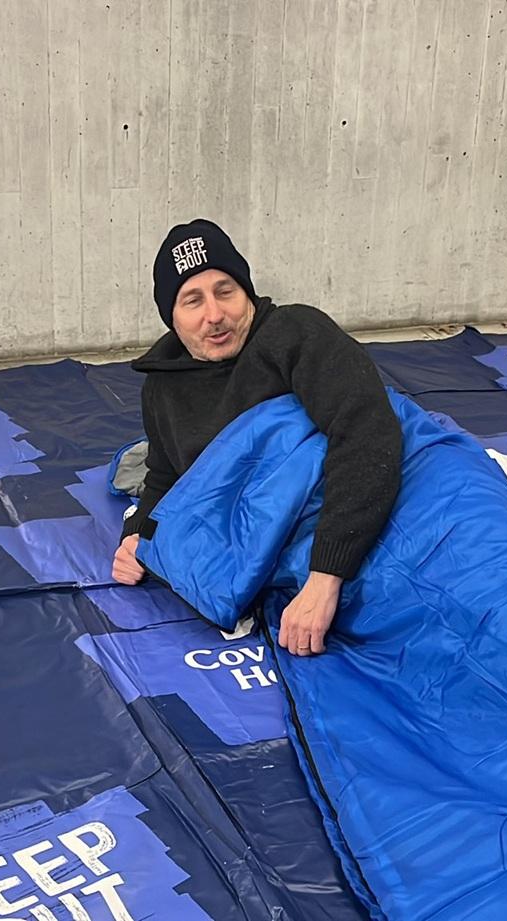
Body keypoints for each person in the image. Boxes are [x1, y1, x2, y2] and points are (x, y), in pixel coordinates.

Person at [111, 219, 402, 656]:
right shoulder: (163, 388)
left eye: (225, 291)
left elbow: (366, 433)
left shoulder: (294, 333)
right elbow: (167, 478)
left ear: (246, 292)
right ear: (171, 317)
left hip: (364, 509)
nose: (215, 314)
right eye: (192, 300)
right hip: (278, 540)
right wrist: (139, 537)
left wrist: (326, 577)